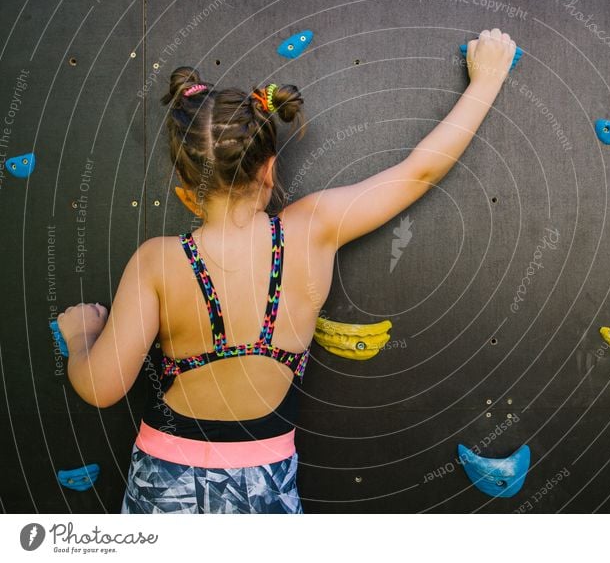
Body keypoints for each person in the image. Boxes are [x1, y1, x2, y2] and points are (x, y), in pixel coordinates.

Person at [56, 28, 517, 513]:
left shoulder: (158, 261)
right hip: (266, 483)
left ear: (186, 193)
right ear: (270, 170)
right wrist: (485, 81)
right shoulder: (311, 230)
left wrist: (83, 334)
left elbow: (102, 388)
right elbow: (417, 172)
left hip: (166, 484)